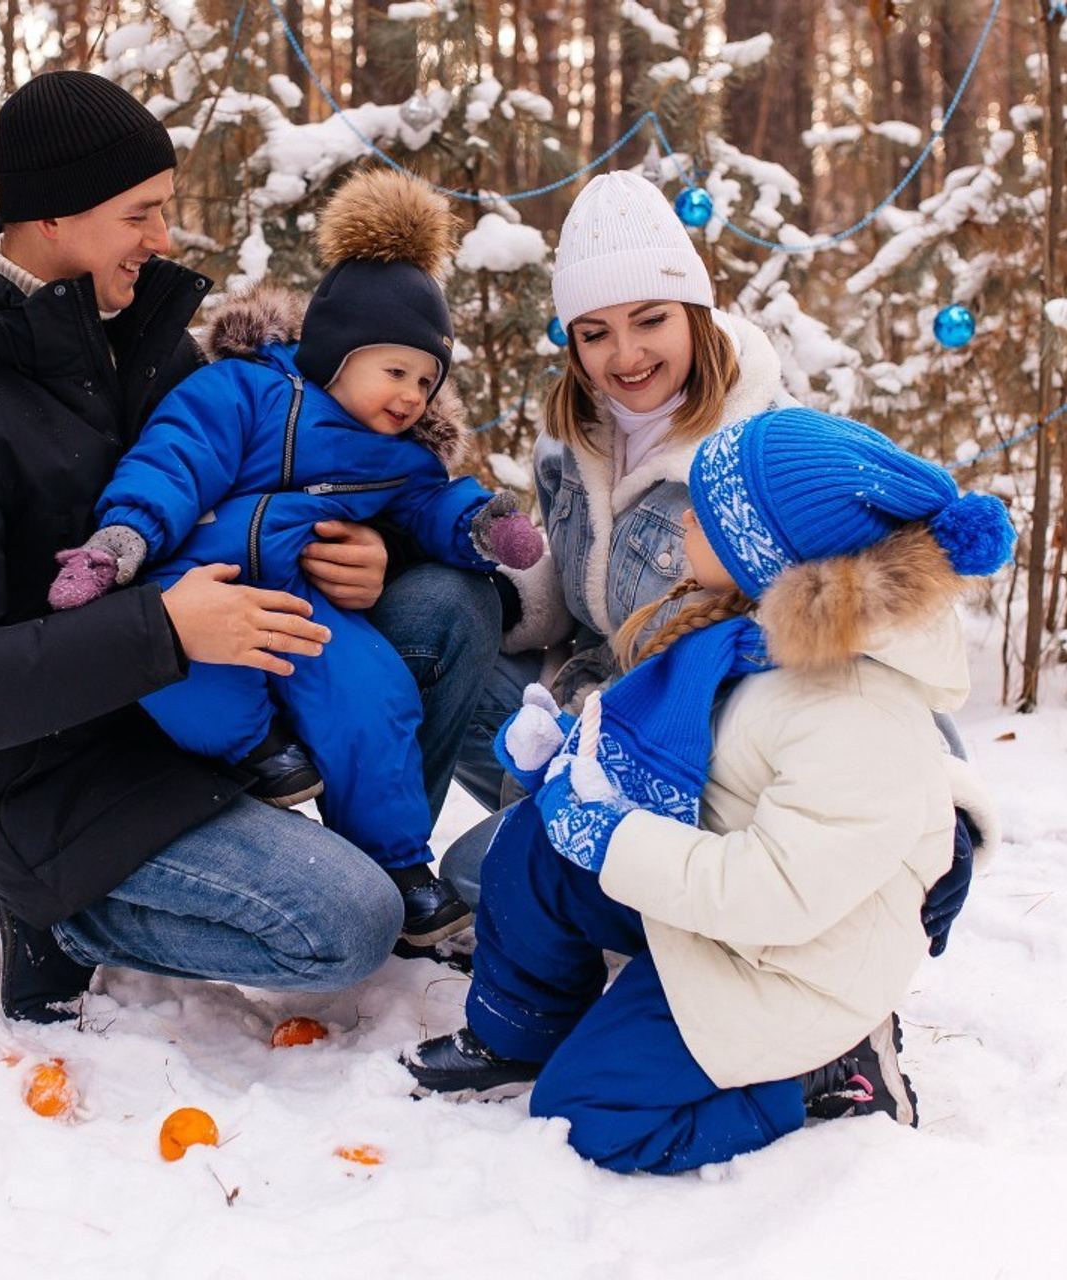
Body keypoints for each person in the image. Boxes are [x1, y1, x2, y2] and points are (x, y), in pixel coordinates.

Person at [0, 70, 500, 1025]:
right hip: (58, 783)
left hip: (207, 707)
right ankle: (64, 921)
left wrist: (374, 551)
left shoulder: (144, 347)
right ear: (56, 217)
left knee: (446, 604)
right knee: (344, 926)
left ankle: (385, 851)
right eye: (141, 213)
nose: (163, 240)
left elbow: (302, 467)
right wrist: (167, 630)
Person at [403, 406, 1012, 1174]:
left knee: (589, 1116)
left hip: (790, 963)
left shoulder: (853, 708)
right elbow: (705, 759)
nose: (686, 519)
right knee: (534, 843)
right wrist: (580, 766)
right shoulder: (746, 629)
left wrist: (611, 833)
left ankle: (819, 1076)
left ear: (768, 551)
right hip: (720, 898)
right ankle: (518, 1034)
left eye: (711, 511)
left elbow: (776, 893)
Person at [440, 169, 976, 955]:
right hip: (600, 716)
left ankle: (728, 932)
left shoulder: (767, 444)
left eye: (649, 319)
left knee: (504, 879)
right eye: (595, 332)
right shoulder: (569, 437)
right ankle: (606, 910)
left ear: (694, 310)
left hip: (721, 756)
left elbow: (887, 608)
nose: (624, 354)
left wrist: (941, 800)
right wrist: (499, 583)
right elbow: (583, 592)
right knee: (450, 688)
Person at [46, 168, 540, 947]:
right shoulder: (244, 392)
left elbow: (432, 504)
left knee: (376, 698)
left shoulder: (396, 453)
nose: (412, 396)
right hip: (196, 587)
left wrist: (483, 526)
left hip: (302, 608)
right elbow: (175, 459)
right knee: (180, 670)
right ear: (337, 353)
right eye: (395, 370)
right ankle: (258, 752)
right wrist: (122, 542)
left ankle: (398, 868)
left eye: (426, 379)